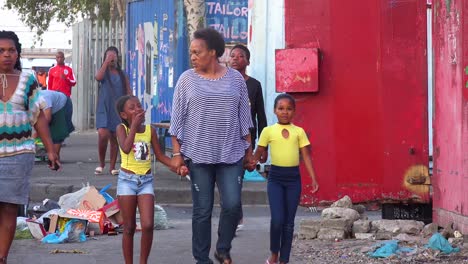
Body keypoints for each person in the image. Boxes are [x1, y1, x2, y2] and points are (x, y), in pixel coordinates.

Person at [170, 27, 254, 264]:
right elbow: (177, 120)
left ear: (213, 52)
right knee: (202, 210)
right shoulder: (186, 79)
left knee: (232, 205)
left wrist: (249, 153)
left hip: (231, 153)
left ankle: (223, 248)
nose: (193, 57)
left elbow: (244, 119)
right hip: (198, 155)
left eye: (198, 52)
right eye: (191, 53)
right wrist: (177, 154)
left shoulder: (235, 79)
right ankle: (201, 259)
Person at [0, 30, 60, 264]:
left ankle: (2, 258)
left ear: (18, 53)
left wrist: (51, 150)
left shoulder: (28, 80)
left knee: (9, 209)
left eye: (11, 50)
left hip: (19, 154)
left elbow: (38, 117)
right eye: (1, 51)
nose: (6, 55)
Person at [115, 95, 187, 264]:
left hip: (145, 181)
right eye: (132, 108)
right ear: (124, 115)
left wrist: (177, 167)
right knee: (129, 227)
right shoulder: (121, 129)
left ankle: (143, 262)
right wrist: (133, 126)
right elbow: (125, 148)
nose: (137, 109)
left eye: (139, 106)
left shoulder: (150, 131)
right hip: (127, 180)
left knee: (147, 225)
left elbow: (161, 156)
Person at [251, 93, 319, 264]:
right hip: (275, 178)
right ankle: (274, 254)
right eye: (281, 108)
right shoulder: (268, 131)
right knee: (277, 220)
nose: (284, 112)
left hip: (293, 180)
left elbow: (306, 156)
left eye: (289, 109)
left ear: (294, 111)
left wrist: (313, 179)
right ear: (275, 110)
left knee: (289, 223)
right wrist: (250, 162)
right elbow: (258, 153)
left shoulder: (299, 132)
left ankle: (284, 259)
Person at [229, 44, 268, 231]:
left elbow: (261, 116)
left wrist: (263, 146)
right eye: (232, 55)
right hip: (225, 139)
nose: (236, 58)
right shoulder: (222, 82)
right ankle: (235, 214)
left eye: (240, 56)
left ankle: (236, 217)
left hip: (245, 141)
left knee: (237, 177)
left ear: (248, 61)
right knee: (228, 180)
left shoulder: (254, 85)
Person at [95, 46, 132, 175]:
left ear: (117, 58)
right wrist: (105, 63)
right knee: (103, 134)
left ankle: (112, 167)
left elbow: (128, 91)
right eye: (109, 56)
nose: (111, 58)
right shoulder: (104, 72)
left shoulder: (122, 74)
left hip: (117, 109)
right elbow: (98, 78)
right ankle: (101, 163)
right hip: (104, 108)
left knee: (115, 137)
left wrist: (130, 106)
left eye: (114, 56)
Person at [38, 90, 75, 159]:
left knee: (57, 133)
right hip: (52, 106)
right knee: (44, 130)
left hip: (62, 104)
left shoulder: (43, 98)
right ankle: (49, 153)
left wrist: (37, 132)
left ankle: (55, 157)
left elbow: (47, 118)